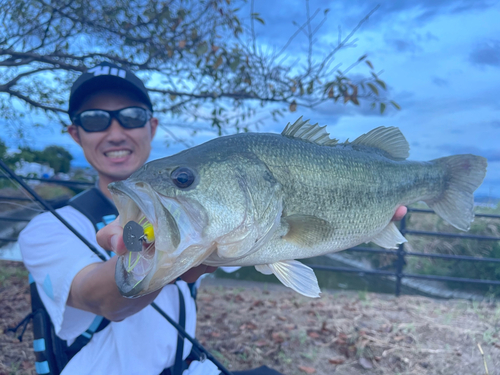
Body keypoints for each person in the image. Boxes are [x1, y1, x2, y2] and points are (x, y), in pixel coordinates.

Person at [19, 61, 408, 375]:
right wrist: (146, 257)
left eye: (133, 116)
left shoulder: (220, 230)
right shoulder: (46, 230)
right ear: (74, 133)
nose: (116, 131)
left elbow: (257, 245)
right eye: (94, 119)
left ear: (151, 126)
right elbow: (103, 299)